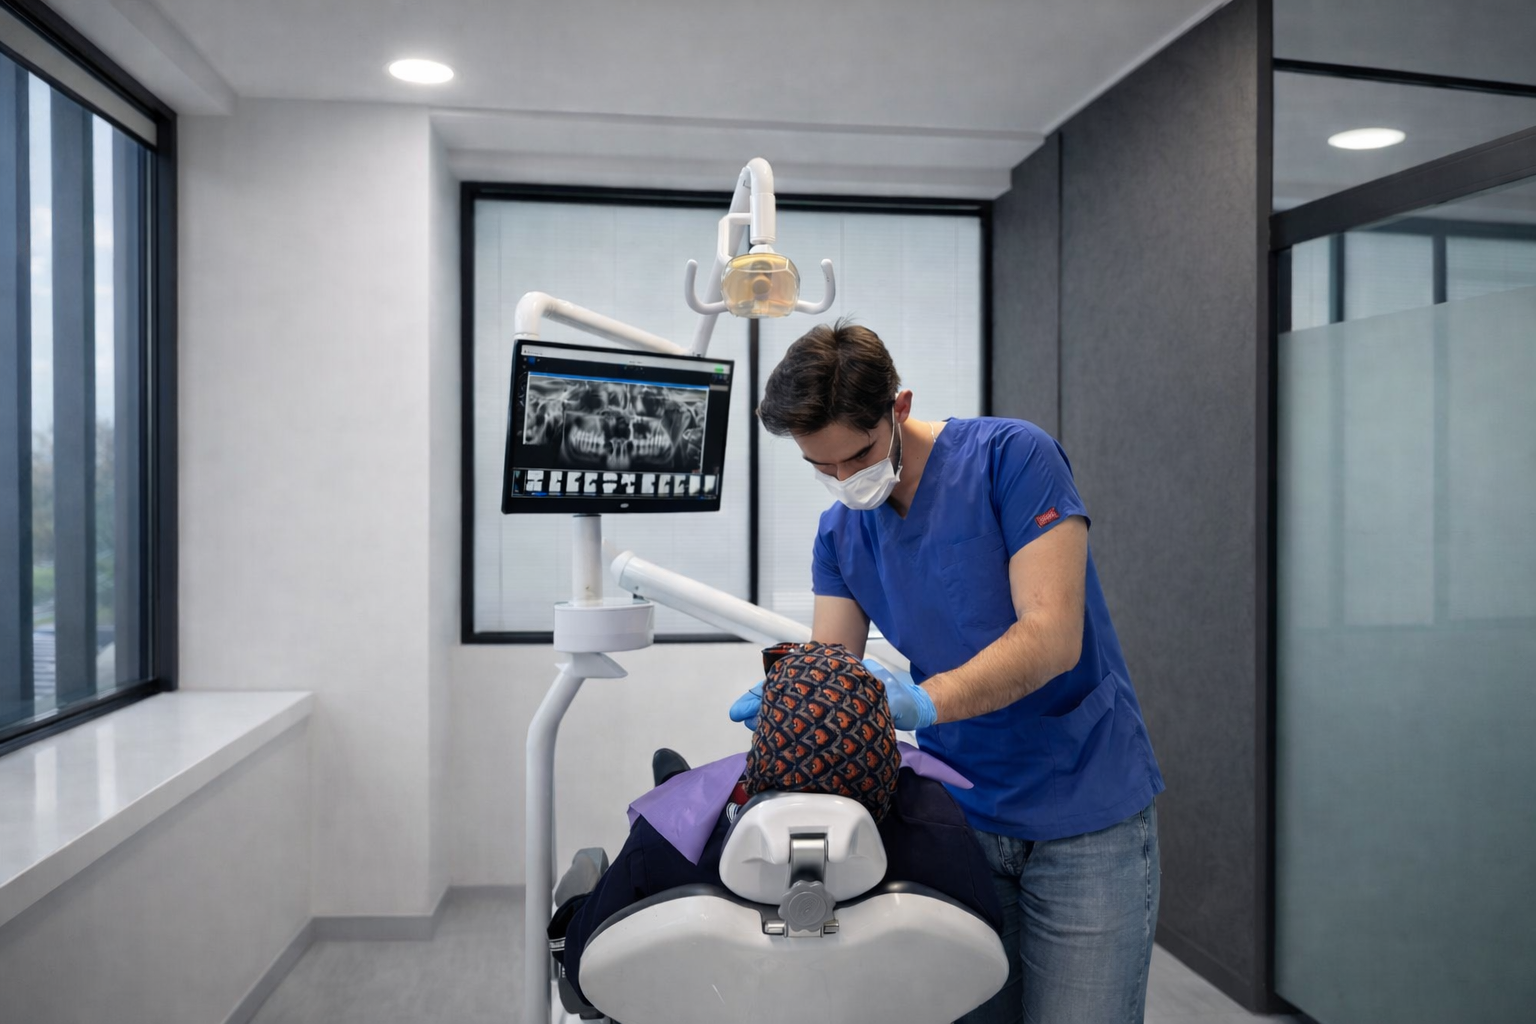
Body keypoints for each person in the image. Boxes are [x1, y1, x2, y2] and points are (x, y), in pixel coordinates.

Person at [730, 319, 1165, 1024]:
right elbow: (835, 670)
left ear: (899, 407)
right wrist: (797, 697)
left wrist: (924, 703)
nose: (844, 480)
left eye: (858, 455)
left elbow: (1052, 636)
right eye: (822, 467)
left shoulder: (1013, 459)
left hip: (1082, 811)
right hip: (960, 818)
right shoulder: (839, 535)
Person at [549, 641, 1003, 1011]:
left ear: (756, 762)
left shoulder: (667, 841)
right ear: (887, 751)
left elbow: (586, 968)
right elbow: (984, 946)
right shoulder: (939, 829)